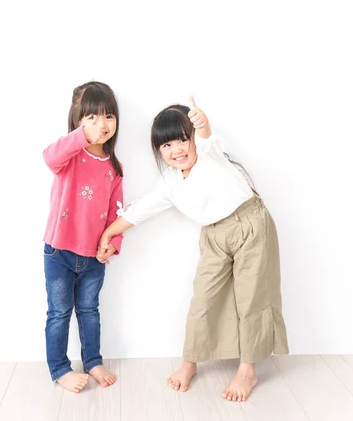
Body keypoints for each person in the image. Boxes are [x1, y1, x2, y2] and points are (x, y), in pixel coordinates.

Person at [97, 96, 288, 402]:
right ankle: (190, 362)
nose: (177, 150)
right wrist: (109, 232)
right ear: (159, 151)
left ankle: (247, 370)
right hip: (214, 236)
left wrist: (202, 124)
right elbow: (139, 211)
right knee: (202, 300)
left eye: (183, 140)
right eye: (167, 146)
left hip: (250, 224)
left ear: (193, 139)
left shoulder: (210, 154)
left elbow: (209, 140)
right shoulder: (171, 182)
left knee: (251, 298)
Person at [43, 81, 123, 393]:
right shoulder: (69, 155)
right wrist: (81, 137)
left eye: (108, 116)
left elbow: (117, 214)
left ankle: (92, 360)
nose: (102, 124)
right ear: (78, 122)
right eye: (91, 118)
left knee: (89, 310)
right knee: (59, 313)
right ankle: (60, 368)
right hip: (58, 250)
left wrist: (113, 244)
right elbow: (49, 158)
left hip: (93, 255)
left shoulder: (115, 168)